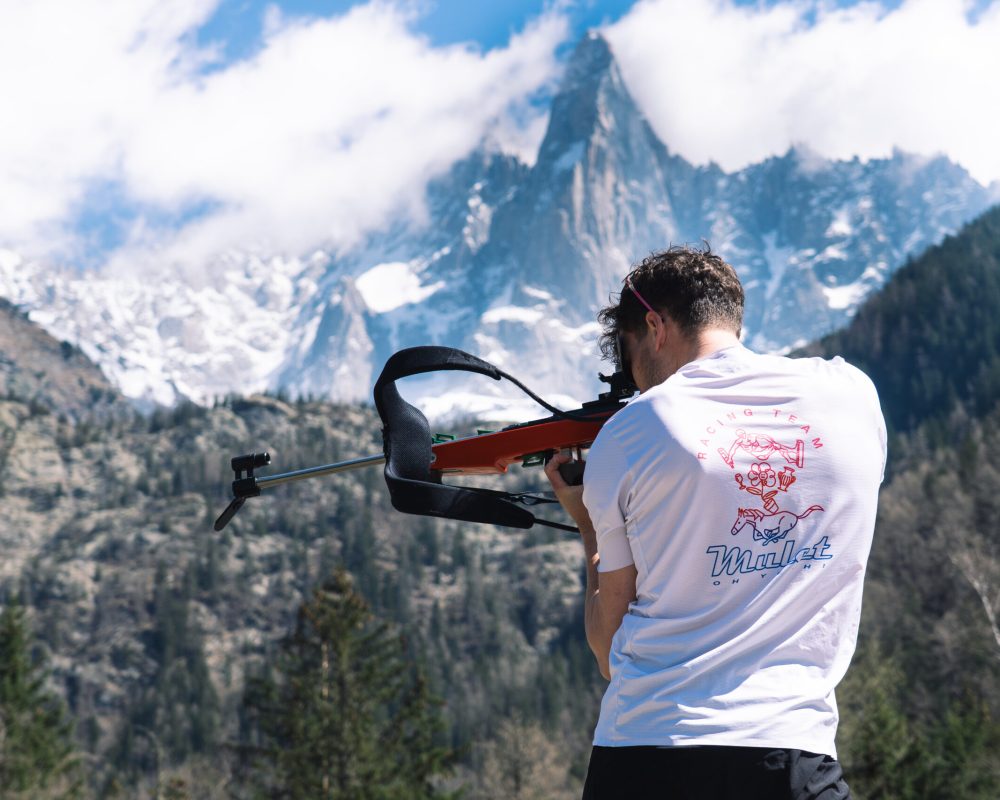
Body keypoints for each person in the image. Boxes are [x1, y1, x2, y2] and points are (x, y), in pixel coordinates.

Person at [544, 244, 886, 800]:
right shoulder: (854, 397)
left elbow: (610, 651)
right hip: (795, 752)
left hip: (647, 751)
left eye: (631, 360)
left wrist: (587, 523)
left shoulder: (631, 431)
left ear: (654, 326)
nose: (637, 384)